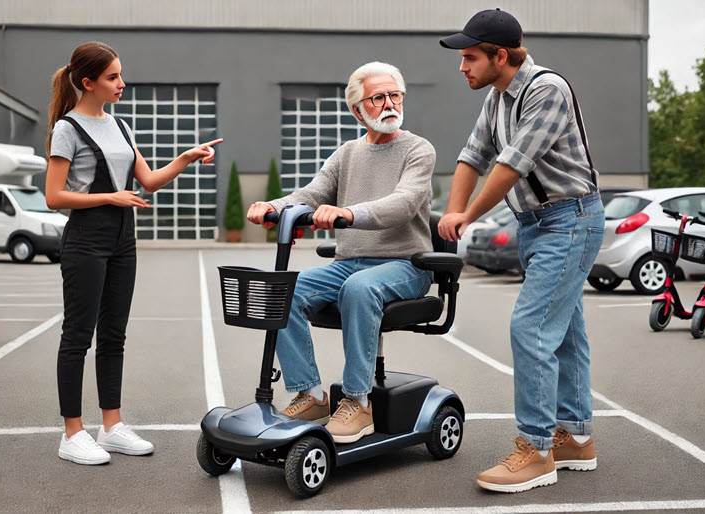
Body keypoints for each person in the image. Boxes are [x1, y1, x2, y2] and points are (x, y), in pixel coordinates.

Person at [438, 9, 604, 492]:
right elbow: (472, 155)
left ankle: (536, 449)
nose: (462, 66)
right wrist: (452, 212)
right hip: (536, 224)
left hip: (569, 220)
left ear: (501, 55)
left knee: (530, 327)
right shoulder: (496, 97)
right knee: (566, 331)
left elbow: (510, 165)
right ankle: (574, 437)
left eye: (470, 57)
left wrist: (467, 215)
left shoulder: (546, 89)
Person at [45, 41, 222, 465]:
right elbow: (53, 196)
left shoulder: (121, 127)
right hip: (86, 239)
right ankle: (72, 432)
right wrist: (111, 197)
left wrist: (185, 157)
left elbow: (148, 181)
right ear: (87, 83)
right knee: (77, 336)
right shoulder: (67, 129)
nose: (122, 84)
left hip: (123, 240)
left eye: (121, 75)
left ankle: (112, 426)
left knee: (113, 335)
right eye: (112, 77)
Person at [246, 61, 436, 444]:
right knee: (281, 290)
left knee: (360, 288)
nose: (389, 104)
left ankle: (357, 402)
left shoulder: (418, 149)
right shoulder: (347, 153)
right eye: (378, 97)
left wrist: (349, 213)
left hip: (405, 264)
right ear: (357, 109)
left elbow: (403, 203)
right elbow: (311, 194)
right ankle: (311, 394)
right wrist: (274, 206)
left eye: (394, 95)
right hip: (350, 263)